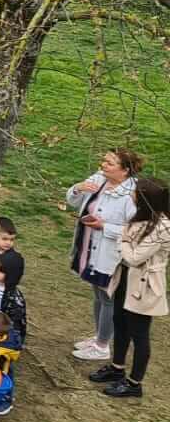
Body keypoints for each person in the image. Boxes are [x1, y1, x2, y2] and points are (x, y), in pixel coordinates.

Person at [90, 175, 170, 400]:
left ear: (145, 198)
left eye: (135, 192)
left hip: (144, 285)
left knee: (139, 333)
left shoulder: (163, 227)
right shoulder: (140, 218)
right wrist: (125, 241)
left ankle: (134, 382)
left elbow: (134, 257)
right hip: (125, 278)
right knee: (120, 323)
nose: (131, 195)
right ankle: (117, 367)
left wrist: (122, 241)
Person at [68, 148, 141, 362]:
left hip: (111, 254)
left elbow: (136, 230)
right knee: (98, 294)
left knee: (108, 297)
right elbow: (73, 201)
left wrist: (104, 227)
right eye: (104, 160)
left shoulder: (132, 195)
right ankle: (99, 336)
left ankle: (101, 347)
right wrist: (77, 188)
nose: (103, 165)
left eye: (110, 163)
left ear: (125, 170)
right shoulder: (98, 179)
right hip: (89, 247)